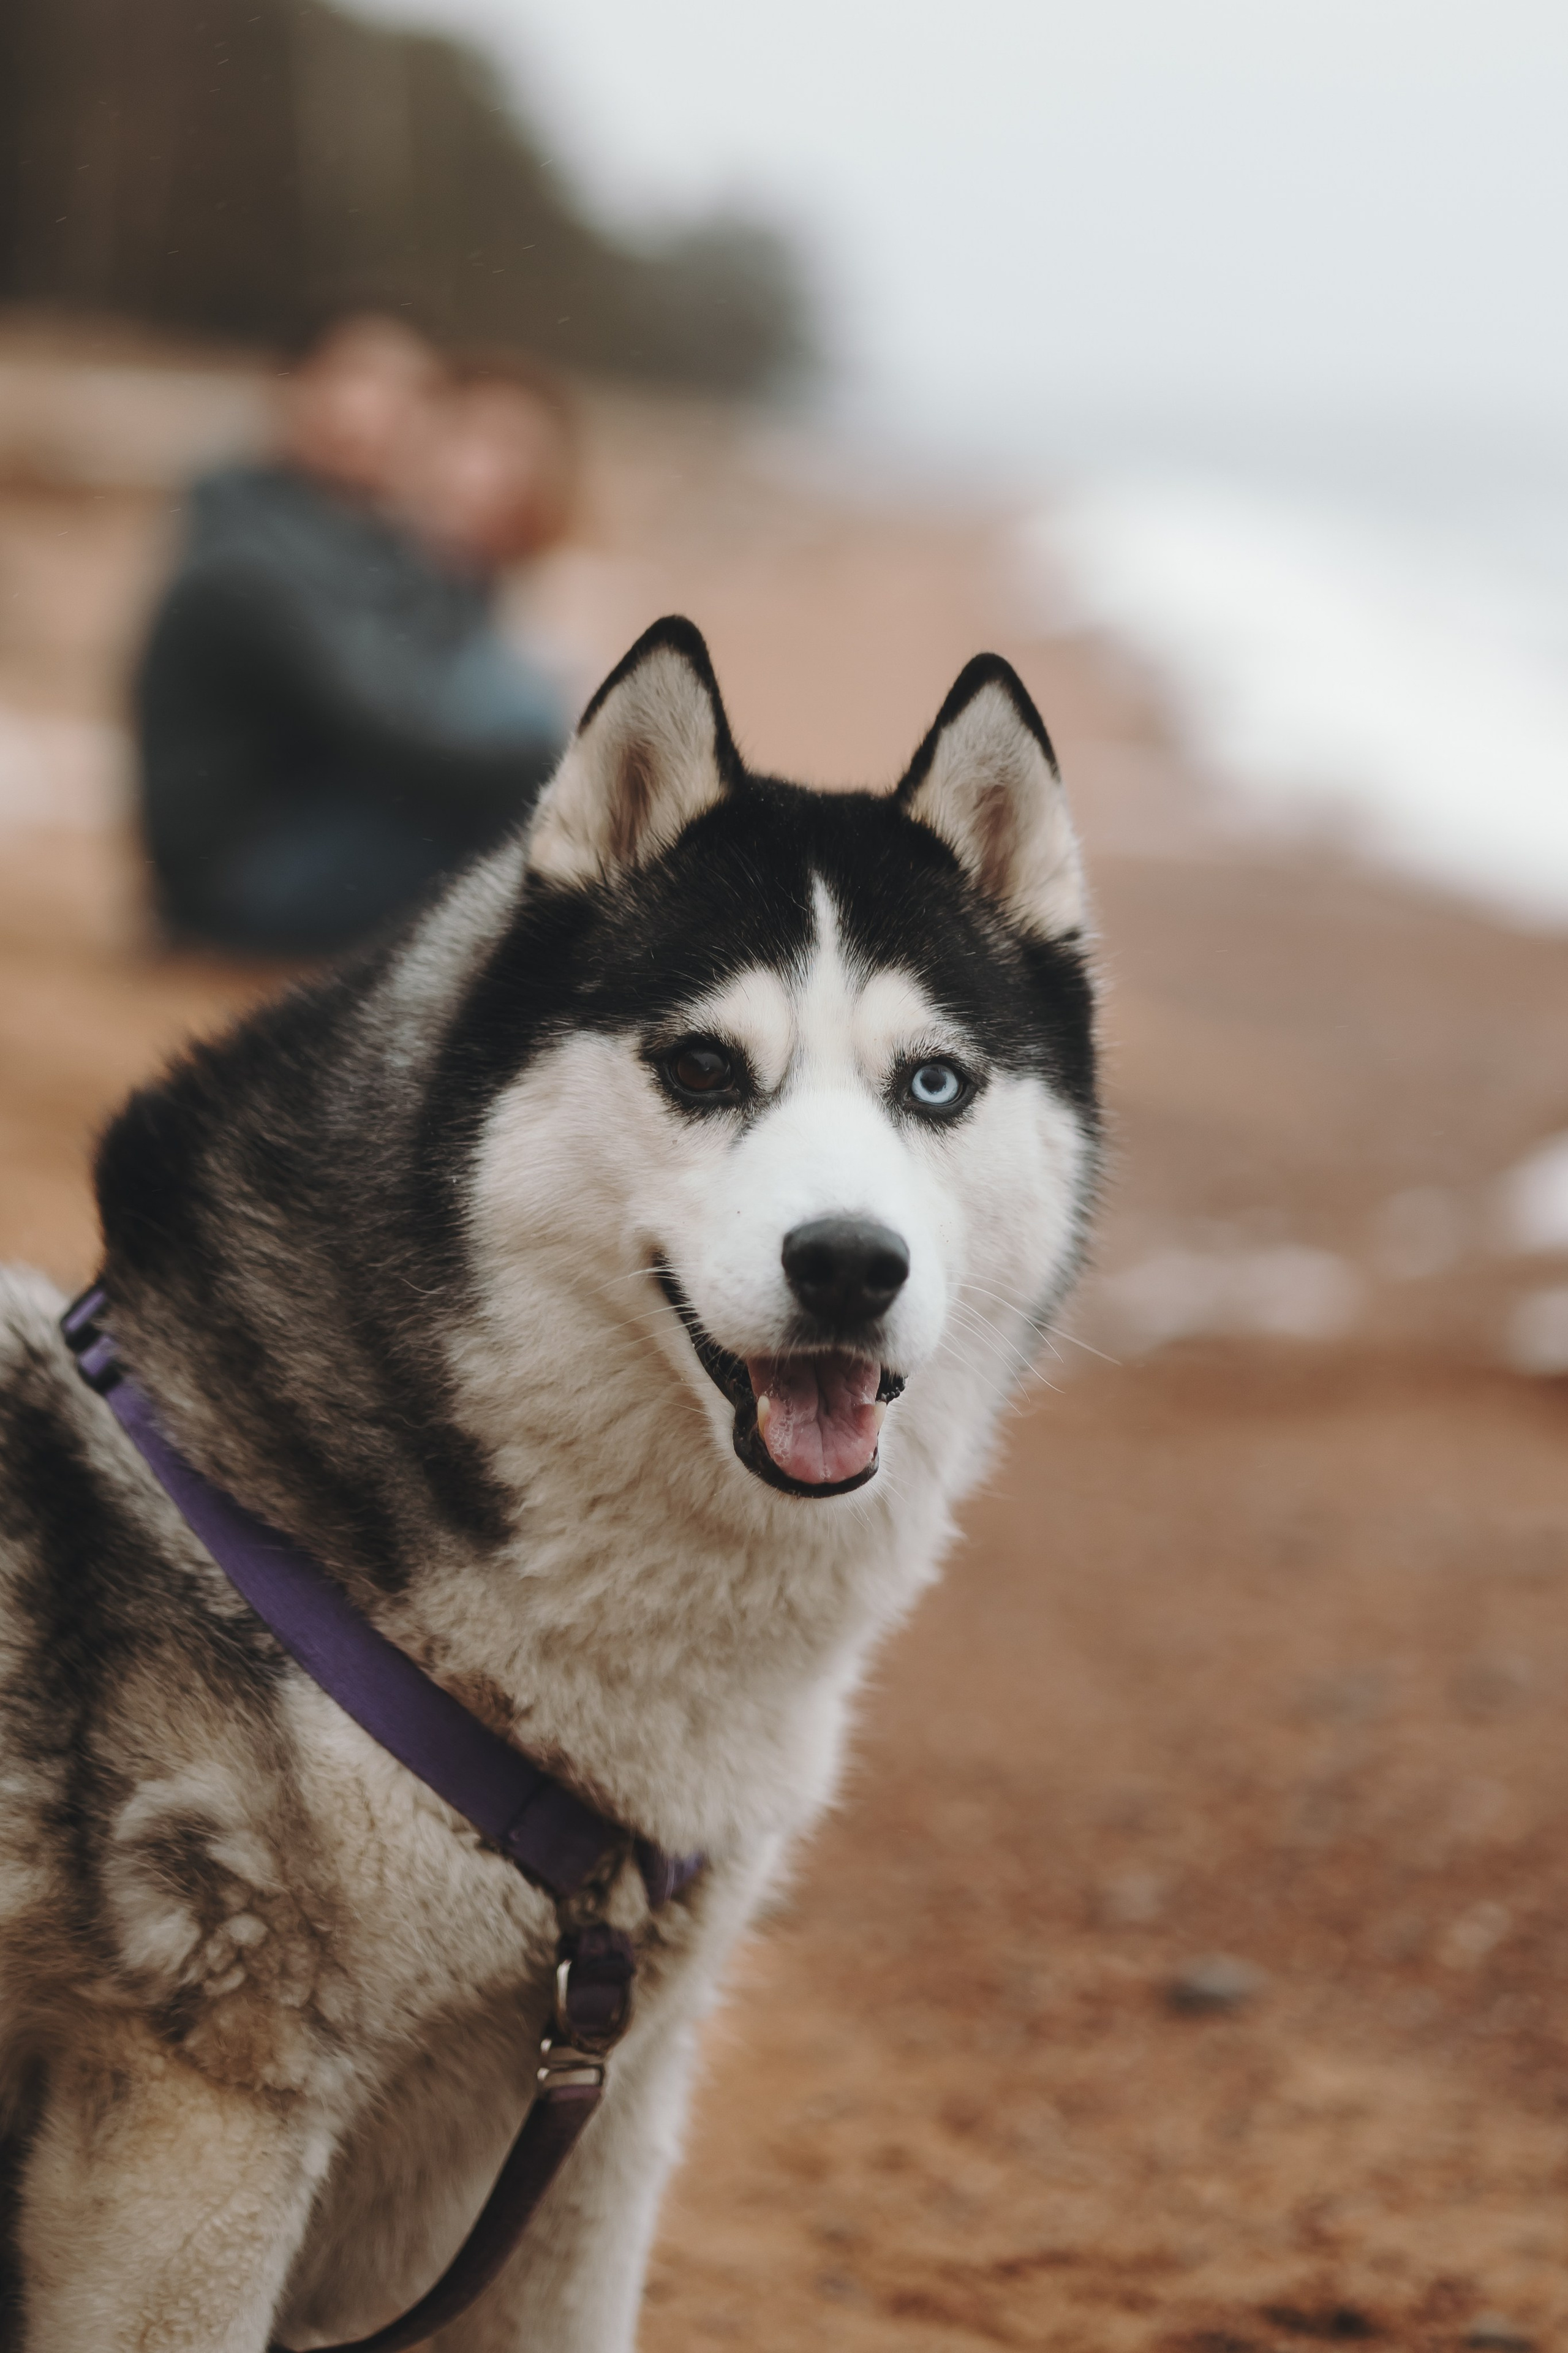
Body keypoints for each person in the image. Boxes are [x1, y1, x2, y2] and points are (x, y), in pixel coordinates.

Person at [134, 315, 573, 957]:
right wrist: (553, 766)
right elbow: (399, 729)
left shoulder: (335, 538)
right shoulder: (256, 557)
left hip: (298, 835)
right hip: (239, 883)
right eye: (362, 378)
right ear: (293, 389)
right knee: (520, 738)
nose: (389, 413)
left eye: (415, 393)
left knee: (519, 729)